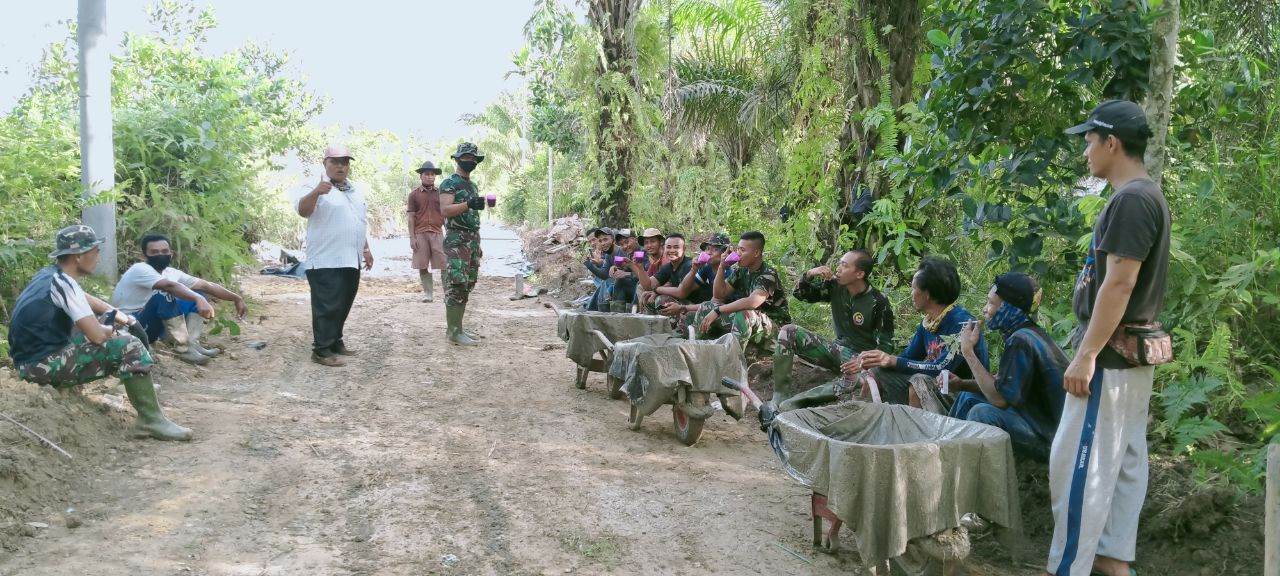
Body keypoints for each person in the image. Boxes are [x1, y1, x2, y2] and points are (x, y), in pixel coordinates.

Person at [1045, 100, 1170, 576]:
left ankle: (1066, 570)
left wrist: (1086, 355)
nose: (1086, 152)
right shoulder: (1144, 195)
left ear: (1111, 143)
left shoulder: (1133, 200)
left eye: (1089, 142)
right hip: (1128, 364)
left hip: (1110, 362)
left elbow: (1119, 283)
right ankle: (1116, 566)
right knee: (1120, 472)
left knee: (1080, 473)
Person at [7, 225, 192, 441]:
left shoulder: (52, 276)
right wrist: (110, 329)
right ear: (78, 256)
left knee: (111, 328)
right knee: (129, 345)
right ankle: (150, 420)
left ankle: (131, 383)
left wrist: (124, 318)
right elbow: (96, 335)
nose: (98, 256)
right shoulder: (64, 283)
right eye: (95, 250)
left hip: (31, 358)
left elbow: (85, 298)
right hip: (40, 366)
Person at [786, 256, 988, 410]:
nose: (911, 294)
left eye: (913, 289)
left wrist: (892, 359)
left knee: (919, 383)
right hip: (937, 388)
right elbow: (909, 358)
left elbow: (941, 368)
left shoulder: (962, 323)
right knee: (876, 373)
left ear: (927, 295)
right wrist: (877, 361)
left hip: (962, 396)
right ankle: (864, 419)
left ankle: (915, 442)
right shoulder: (928, 322)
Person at [915, 273, 1067, 463]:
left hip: (1051, 439)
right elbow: (1002, 384)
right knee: (966, 397)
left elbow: (1000, 399)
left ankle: (948, 461)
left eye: (991, 303)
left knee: (981, 413)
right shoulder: (1027, 333)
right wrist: (961, 384)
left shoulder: (1021, 341)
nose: (985, 310)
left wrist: (968, 352)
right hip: (1036, 423)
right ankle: (940, 450)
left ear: (1008, 308)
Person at [767, 249, 893, 409]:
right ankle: (778, 397)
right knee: (788, 331)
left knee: (862, 378)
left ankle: (794, 403)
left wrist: (862, 361)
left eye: (844, 265)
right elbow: (800, 294)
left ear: (859, 274)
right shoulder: (835, 286)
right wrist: (809, 275)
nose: (838, 268)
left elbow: (885, 347)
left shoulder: (878, 302)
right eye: (839, 263)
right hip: (835, 351)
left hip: (860, 361)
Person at [292, 144, 374, 367]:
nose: (340, 166)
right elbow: (302, 210)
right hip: (325, 259)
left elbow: (357, 220)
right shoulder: (313, 184)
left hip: (351, 258)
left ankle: (335, 341)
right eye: (335, 162)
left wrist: (365, 248)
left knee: (344, 302)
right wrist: (317, 191)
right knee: (327, 305)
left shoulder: (354, 189)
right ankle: (321, 350)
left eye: (345, 162)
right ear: (325, 163)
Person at [111, 233, 248, 365]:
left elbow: (206, 285)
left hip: (154, 324)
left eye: (165, 251)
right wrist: (198, 298)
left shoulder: (171, 272)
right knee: (164, 294)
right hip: (132, 328)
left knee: (199, 291)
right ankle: (183, 349)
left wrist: (236, 298)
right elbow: (169, 286)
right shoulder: (140, 269)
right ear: (144, 255)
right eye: (154, 252)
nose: (160, 255)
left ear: (171, 253)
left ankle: (191, 343)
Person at [690, 231, 790, 349]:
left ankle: (733, 361)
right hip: (750, 322)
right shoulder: (741, 271)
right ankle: (696, 350)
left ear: (756, 253)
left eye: (742, 250)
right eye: (737, 249)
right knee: (706, 307)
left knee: (744, 314)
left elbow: (752, 302)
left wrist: (718, 311)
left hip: (776, 330)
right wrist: (722, 267)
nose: (738, 253)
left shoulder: (769, 275)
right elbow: (719, 294)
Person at [439, 142, 488, 345]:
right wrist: (468, 204)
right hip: (457, 238)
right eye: (467, 157)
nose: (471, 161)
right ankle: (453, 332)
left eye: (473, 158)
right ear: (458, 159)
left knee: (467, 284)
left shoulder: (472, 185)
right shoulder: (449, 183)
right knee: (456, 283)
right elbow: (445, 210)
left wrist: (476, 244)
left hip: (472, 239)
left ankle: (459, 327)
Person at [659, 233, 731, 327]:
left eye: (716, 249)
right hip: (703, 307)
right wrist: (694, 270)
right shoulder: (707, 268)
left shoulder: (728, 273)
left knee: (688, 316)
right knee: (665, 301)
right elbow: (685, 290)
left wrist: (682, 308)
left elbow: (714, 304)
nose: (709, 253)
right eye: (708, 249)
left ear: (726, 253)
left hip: (721, 313)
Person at [407, 160, 445, 303]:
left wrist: (448, 234)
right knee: (422, 265)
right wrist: (412, 238)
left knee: (444, 264)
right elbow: (411, 217)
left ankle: (447, 293)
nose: (430, 177)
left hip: (437, 232)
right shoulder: (414, 195)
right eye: (427, 174)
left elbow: (446, 215)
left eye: (432, 174)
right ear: (421, 176)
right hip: (420, 233)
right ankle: (428, 294)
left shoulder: (441, 193)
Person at [632, 233, 691, 314]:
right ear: (664, 248)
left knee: (662, 300)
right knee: (647, 295)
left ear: (684, 249)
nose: (672, 250)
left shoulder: (690, 265)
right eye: (669, 247)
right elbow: (648, 286)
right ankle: (651, 323)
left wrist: (657, 290)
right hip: (680, 301)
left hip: (694, 306)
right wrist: (640, 268)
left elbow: (681, 293)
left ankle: (666, 325)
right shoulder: (668, 266)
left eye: (676, 247)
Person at [583, 227, 617, 312]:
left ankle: (590, 306)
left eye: (594, 240)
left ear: (613, 240)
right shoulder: (603, 253)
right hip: (608, 285)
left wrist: (600, 263)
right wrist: (591, 265)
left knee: (607, 282)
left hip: (618, 284)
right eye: (601, 241)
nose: (593, 243)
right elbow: (604, 274)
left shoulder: (617, 251)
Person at [608, 228, 640, 311]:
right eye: (621, 244)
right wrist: (614, 268)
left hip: (642, 288)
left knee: (621, 281)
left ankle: (619, 313)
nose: (624, 246)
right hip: (634, 286)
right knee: (618, 281)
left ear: (635, 240)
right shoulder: (628, 253)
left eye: (627, 242)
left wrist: (626, 274)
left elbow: (647, 277)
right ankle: (618, 313)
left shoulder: (641, 253)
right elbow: (624, 268)